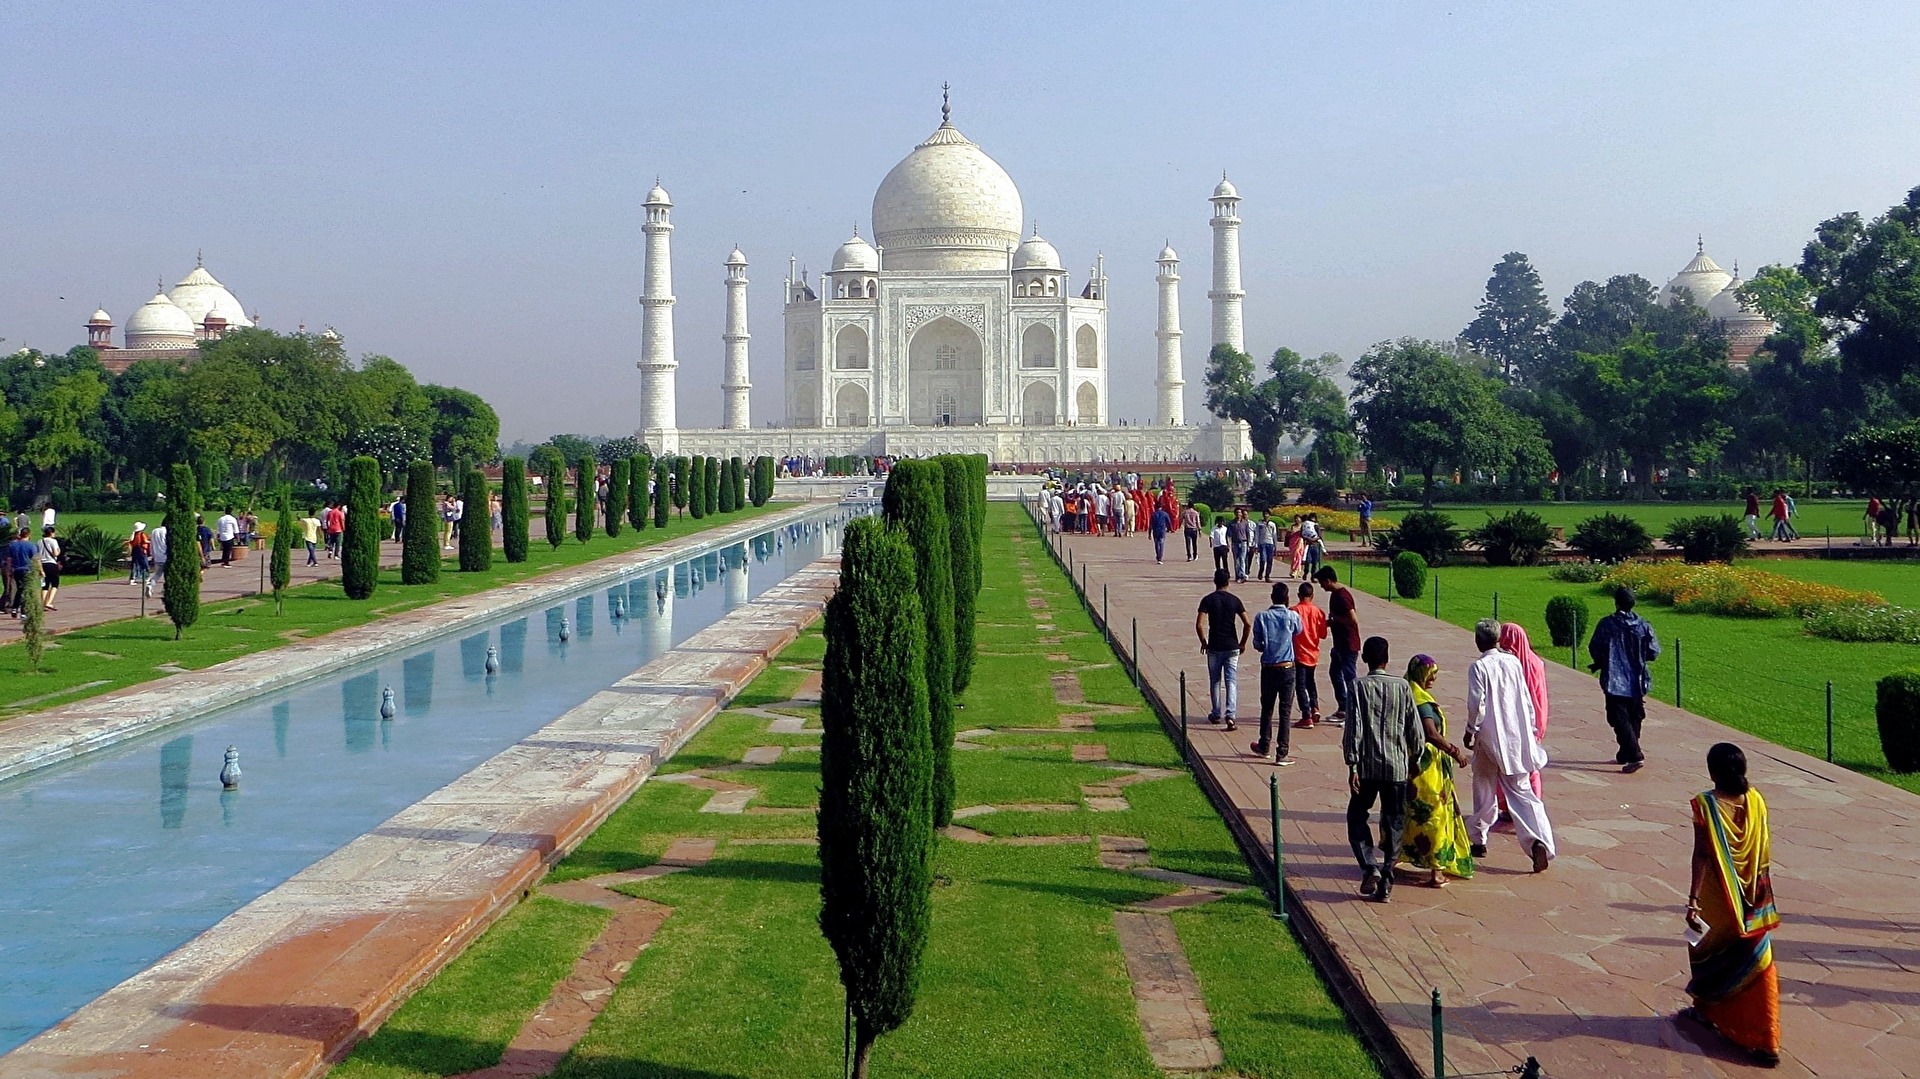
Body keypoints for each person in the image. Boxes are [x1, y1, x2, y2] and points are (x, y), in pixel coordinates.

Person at [1681, 743, 1781, 1067]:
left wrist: (1694, 899)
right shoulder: (1756, 801)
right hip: (1754, 894)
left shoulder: (1706, 806)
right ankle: (1768, 1038)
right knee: (1759, 961)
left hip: (1718, 898)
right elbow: (1763, 846)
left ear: (1712, 772)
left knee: (1707, 954)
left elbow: (1702, 855)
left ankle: (1708, 1012)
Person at [1465, 619, 1555, 873]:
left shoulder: (1479, 667)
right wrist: (1531, 730)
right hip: (1515, 738)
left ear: (1479, 641)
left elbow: (1477, 705)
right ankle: (1539, 841)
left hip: (1489, 738)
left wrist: (1470, 731)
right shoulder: (1514, 662)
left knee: (1483, 786)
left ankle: (1478, 838)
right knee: (1522, 793)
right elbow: (1526, 700)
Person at [1343, 636, 1424, 903]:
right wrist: (1415, 760)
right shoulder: (1402, 687)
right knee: (1394, 822)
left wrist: (1352, 764)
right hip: (1396, 768)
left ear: (1365, 659)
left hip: (1366, 768)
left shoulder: (1358, 686)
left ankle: (1369, 867)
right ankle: (1387, 876)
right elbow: (1414, 730)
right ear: (1387, 660)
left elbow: (1354, 728)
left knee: (1357, 816)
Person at [1401, 654, 1474, 887]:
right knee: (1434, 816)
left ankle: (1395, 858)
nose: (1433, 680)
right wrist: (1455, 752)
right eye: (1430, 675)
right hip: (1427, 771)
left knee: (1406, 814)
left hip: (1409, 765)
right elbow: (1431, 734)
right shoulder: (1422, 702)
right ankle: (1436, 871)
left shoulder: (1406, 692)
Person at [1589, 586, 1661, 772]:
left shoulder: (1607, 624)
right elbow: (1653, 652)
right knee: (1634, 716)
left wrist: (1601, 660)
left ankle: (1635, 754)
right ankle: (1626, 751)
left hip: (1615, 680)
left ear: (1616, 602)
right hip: (1636, 680)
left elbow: (1595, 647)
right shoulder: (1643, 626)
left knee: (1619, 718)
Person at [1249, 583, 1302, 763]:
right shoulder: (1292, 616)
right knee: (1285, 711)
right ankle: (1282, 752)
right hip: (1287, 667)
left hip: (1269, 667)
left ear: (1272, 598)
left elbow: (1257, 644)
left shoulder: (1262, 617)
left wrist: (1266, 646)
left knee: (1267, 708)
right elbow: (1299, 631)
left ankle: (1264, 745)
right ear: (1286, 599)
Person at [1194, 568, 1249, 731]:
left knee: (1215, 680)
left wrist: (1203, 641)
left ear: (1215, 581)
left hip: (1215, 645)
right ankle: (1230, 715)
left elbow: (1199, 624)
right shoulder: (1235, 600)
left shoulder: (1208, 600)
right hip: (1232, 645)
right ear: (1228, 581)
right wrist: (1242, 643)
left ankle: (1216, 712)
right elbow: (1247, 623)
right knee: (1231, 680)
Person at [1500, 622, 1550, 797]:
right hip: (1535, 719)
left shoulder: (1510, 665)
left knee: (1511, 764)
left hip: (1516, 720)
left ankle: (1511, 805)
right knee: (1529, 764)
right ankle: (1532, 802)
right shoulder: (1535, 662)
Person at [1317, 566, 1360, 726]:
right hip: (1340, 644)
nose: (1321, 586)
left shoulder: (1342, 596)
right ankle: (1344, 707)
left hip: (1348, 644)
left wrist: (1335, 620)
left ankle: (1354, 712)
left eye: (1322, 583)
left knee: (1350, 678)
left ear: (1328, 580)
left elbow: (1353, 619)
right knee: (1335, 673)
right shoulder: (1336, 595)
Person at [1291, 581, 1327, 729]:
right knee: (1310, 682)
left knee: (1300, 685)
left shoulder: (1294, 611)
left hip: (1299, 652)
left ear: (1299, 595)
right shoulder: (1318, 612)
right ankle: (1315, 707)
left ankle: (1306, 715)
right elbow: (1323, 634)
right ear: (1312, 596)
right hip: (1313, 653)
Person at [6, 527, 35, 617]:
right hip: (27, 569)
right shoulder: (31, 545)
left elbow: (9, 559)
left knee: (20, 589)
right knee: (26, 590)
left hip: (16, 570)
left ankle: (15, 608)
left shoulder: (13, 545)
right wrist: (40, 570)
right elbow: (35, 559)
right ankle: (24, 611)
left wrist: (9, 570)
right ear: (29, 535)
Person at [37, 524, 62, 611]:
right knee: (55, 584)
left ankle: (43, 603)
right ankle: (49, 602)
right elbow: (55, 553)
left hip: (42, 564)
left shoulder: (39, 541)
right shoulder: (53, 541)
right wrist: (59, 552)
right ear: (51, 533)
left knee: (45, 585)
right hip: (51, 563)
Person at [1229, 508, 1252, 582]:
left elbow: (1247, 534)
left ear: (1241, 514)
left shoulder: (1245, 523)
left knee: (1242, 559)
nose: (1238, 514)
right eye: (1237, 512)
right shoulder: (1232, 523)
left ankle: (1242, 575)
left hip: (1243, 543)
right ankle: (1238, 575)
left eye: (1240, 512)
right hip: (1235, 543)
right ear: (1235, 513)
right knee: (1236, 560)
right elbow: (1229, 534)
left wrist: (1248, 544)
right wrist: (1229, 543)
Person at [128, 522, 152, 592]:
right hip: (141, 550)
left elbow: (131, 542)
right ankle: (147, 577)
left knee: (134, 564)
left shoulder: (134, 535)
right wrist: (149, 541)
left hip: (135, 550)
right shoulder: (142, 534)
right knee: (144, 564)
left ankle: (132, 578)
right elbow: (145, 541)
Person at [1256, 513, 1278, 582]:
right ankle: (1261, 571)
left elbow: (1274, 535)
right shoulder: (1259, 524)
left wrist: (1275, 545)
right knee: (1262, 559)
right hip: (1262, 543)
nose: (1266, 515)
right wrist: (1257, 544)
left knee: (1270, 560)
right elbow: (1257, 534)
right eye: (1265, 514)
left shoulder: (1272, 524)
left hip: (1270, 543)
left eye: (1267, 514)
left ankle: (1267, 576)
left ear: (1269, 515)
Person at [148, 521, 168, 599]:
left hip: (157, 556)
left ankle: (150, 585)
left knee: (157, 574)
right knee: (168, 574)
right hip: (166, 556)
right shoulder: (167, 531)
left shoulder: (154, 531)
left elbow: (151, 544)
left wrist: (152, 554)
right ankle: (165, 589)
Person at [1301, 513, 1324, 577]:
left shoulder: (1316, 526)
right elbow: (1301, 534)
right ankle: (1306, 572)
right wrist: (1308, 538)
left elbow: (1320, 536)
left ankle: (1313, 575)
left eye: (1314, 518)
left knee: (1314, 561)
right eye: (1311, 517)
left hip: (1315, 545)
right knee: (1307, 561)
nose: (1312, 519)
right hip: (1308, 545)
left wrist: (1314, 539)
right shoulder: (1305, 525)